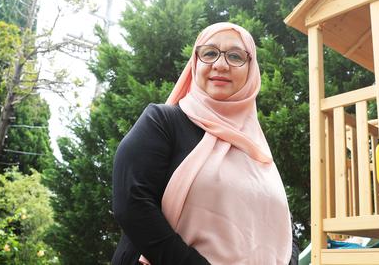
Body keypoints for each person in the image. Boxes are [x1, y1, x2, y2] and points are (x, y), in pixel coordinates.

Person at [112, 22, 299, 265]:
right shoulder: (164, 123)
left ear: (251, 70)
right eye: (209, 53)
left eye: (235, 56)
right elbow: (132, 202)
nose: (220, 65)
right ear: (195, 63)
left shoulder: (258, 151)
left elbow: (285, 230)